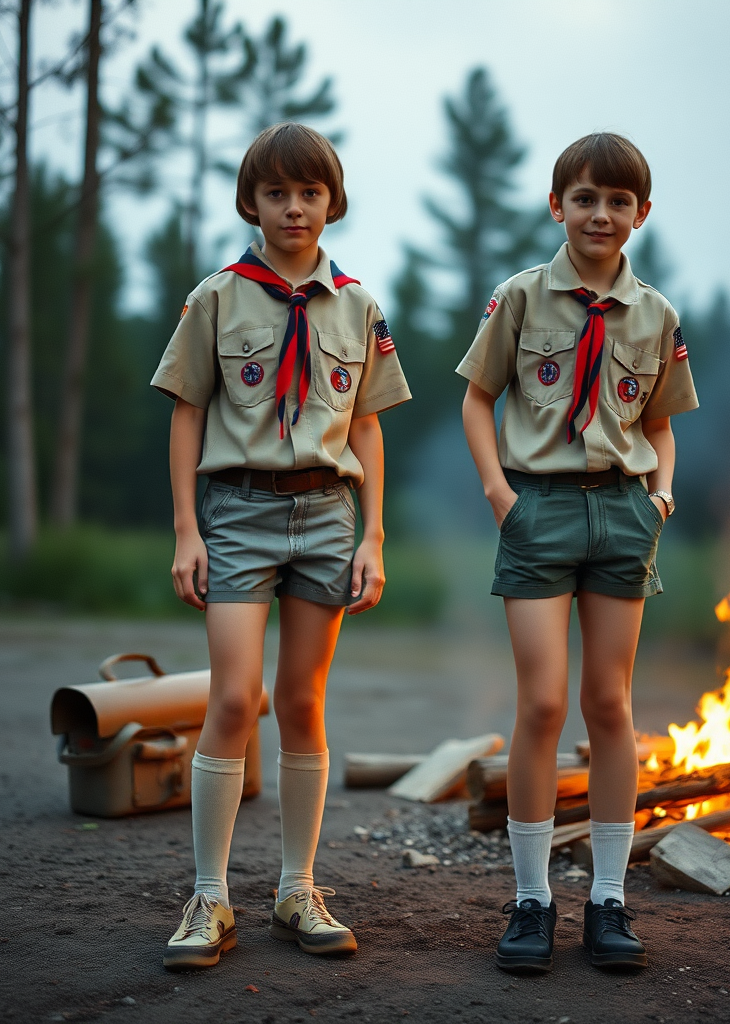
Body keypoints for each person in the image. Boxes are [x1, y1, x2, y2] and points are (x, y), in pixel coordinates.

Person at [151, 122, 411, 970]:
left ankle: (298, 888)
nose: (294, 208)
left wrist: (373, 534)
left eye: (310, 193)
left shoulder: (361, 305)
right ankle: (209, 897)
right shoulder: (217, 296)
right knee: (234, 699)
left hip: (329, 516)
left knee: (302, 702)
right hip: (236, 513)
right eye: (276, 193)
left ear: (333, 202)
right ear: (250, 203)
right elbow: (187, 412)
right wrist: (188, 530)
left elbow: (366, 426)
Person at [457, 133, 698, 973]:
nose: (602, 214)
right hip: (540, 507)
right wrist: (500, 493)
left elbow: (660, 421)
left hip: (625, 513)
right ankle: (530, 900)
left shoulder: (655, 314)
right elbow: (477, 399)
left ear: (641, 214)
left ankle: (606, 901)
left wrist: (662, 495)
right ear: (556, 204)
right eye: (586, 198)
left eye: (619, 201)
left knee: (610, 704)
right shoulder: (521, 298)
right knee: (544, 703)